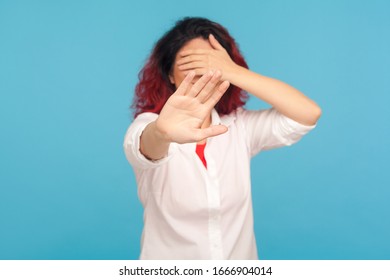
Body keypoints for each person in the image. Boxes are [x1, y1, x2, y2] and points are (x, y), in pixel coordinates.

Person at [123, 17, 321, 260]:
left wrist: (232, 70)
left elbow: (308, 113)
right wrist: (162, 132)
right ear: (170, 76)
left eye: (211, 65)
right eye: (190, 65)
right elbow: (145, 147)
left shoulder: (240, 127)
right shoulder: (148, 125)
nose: (202, 75)